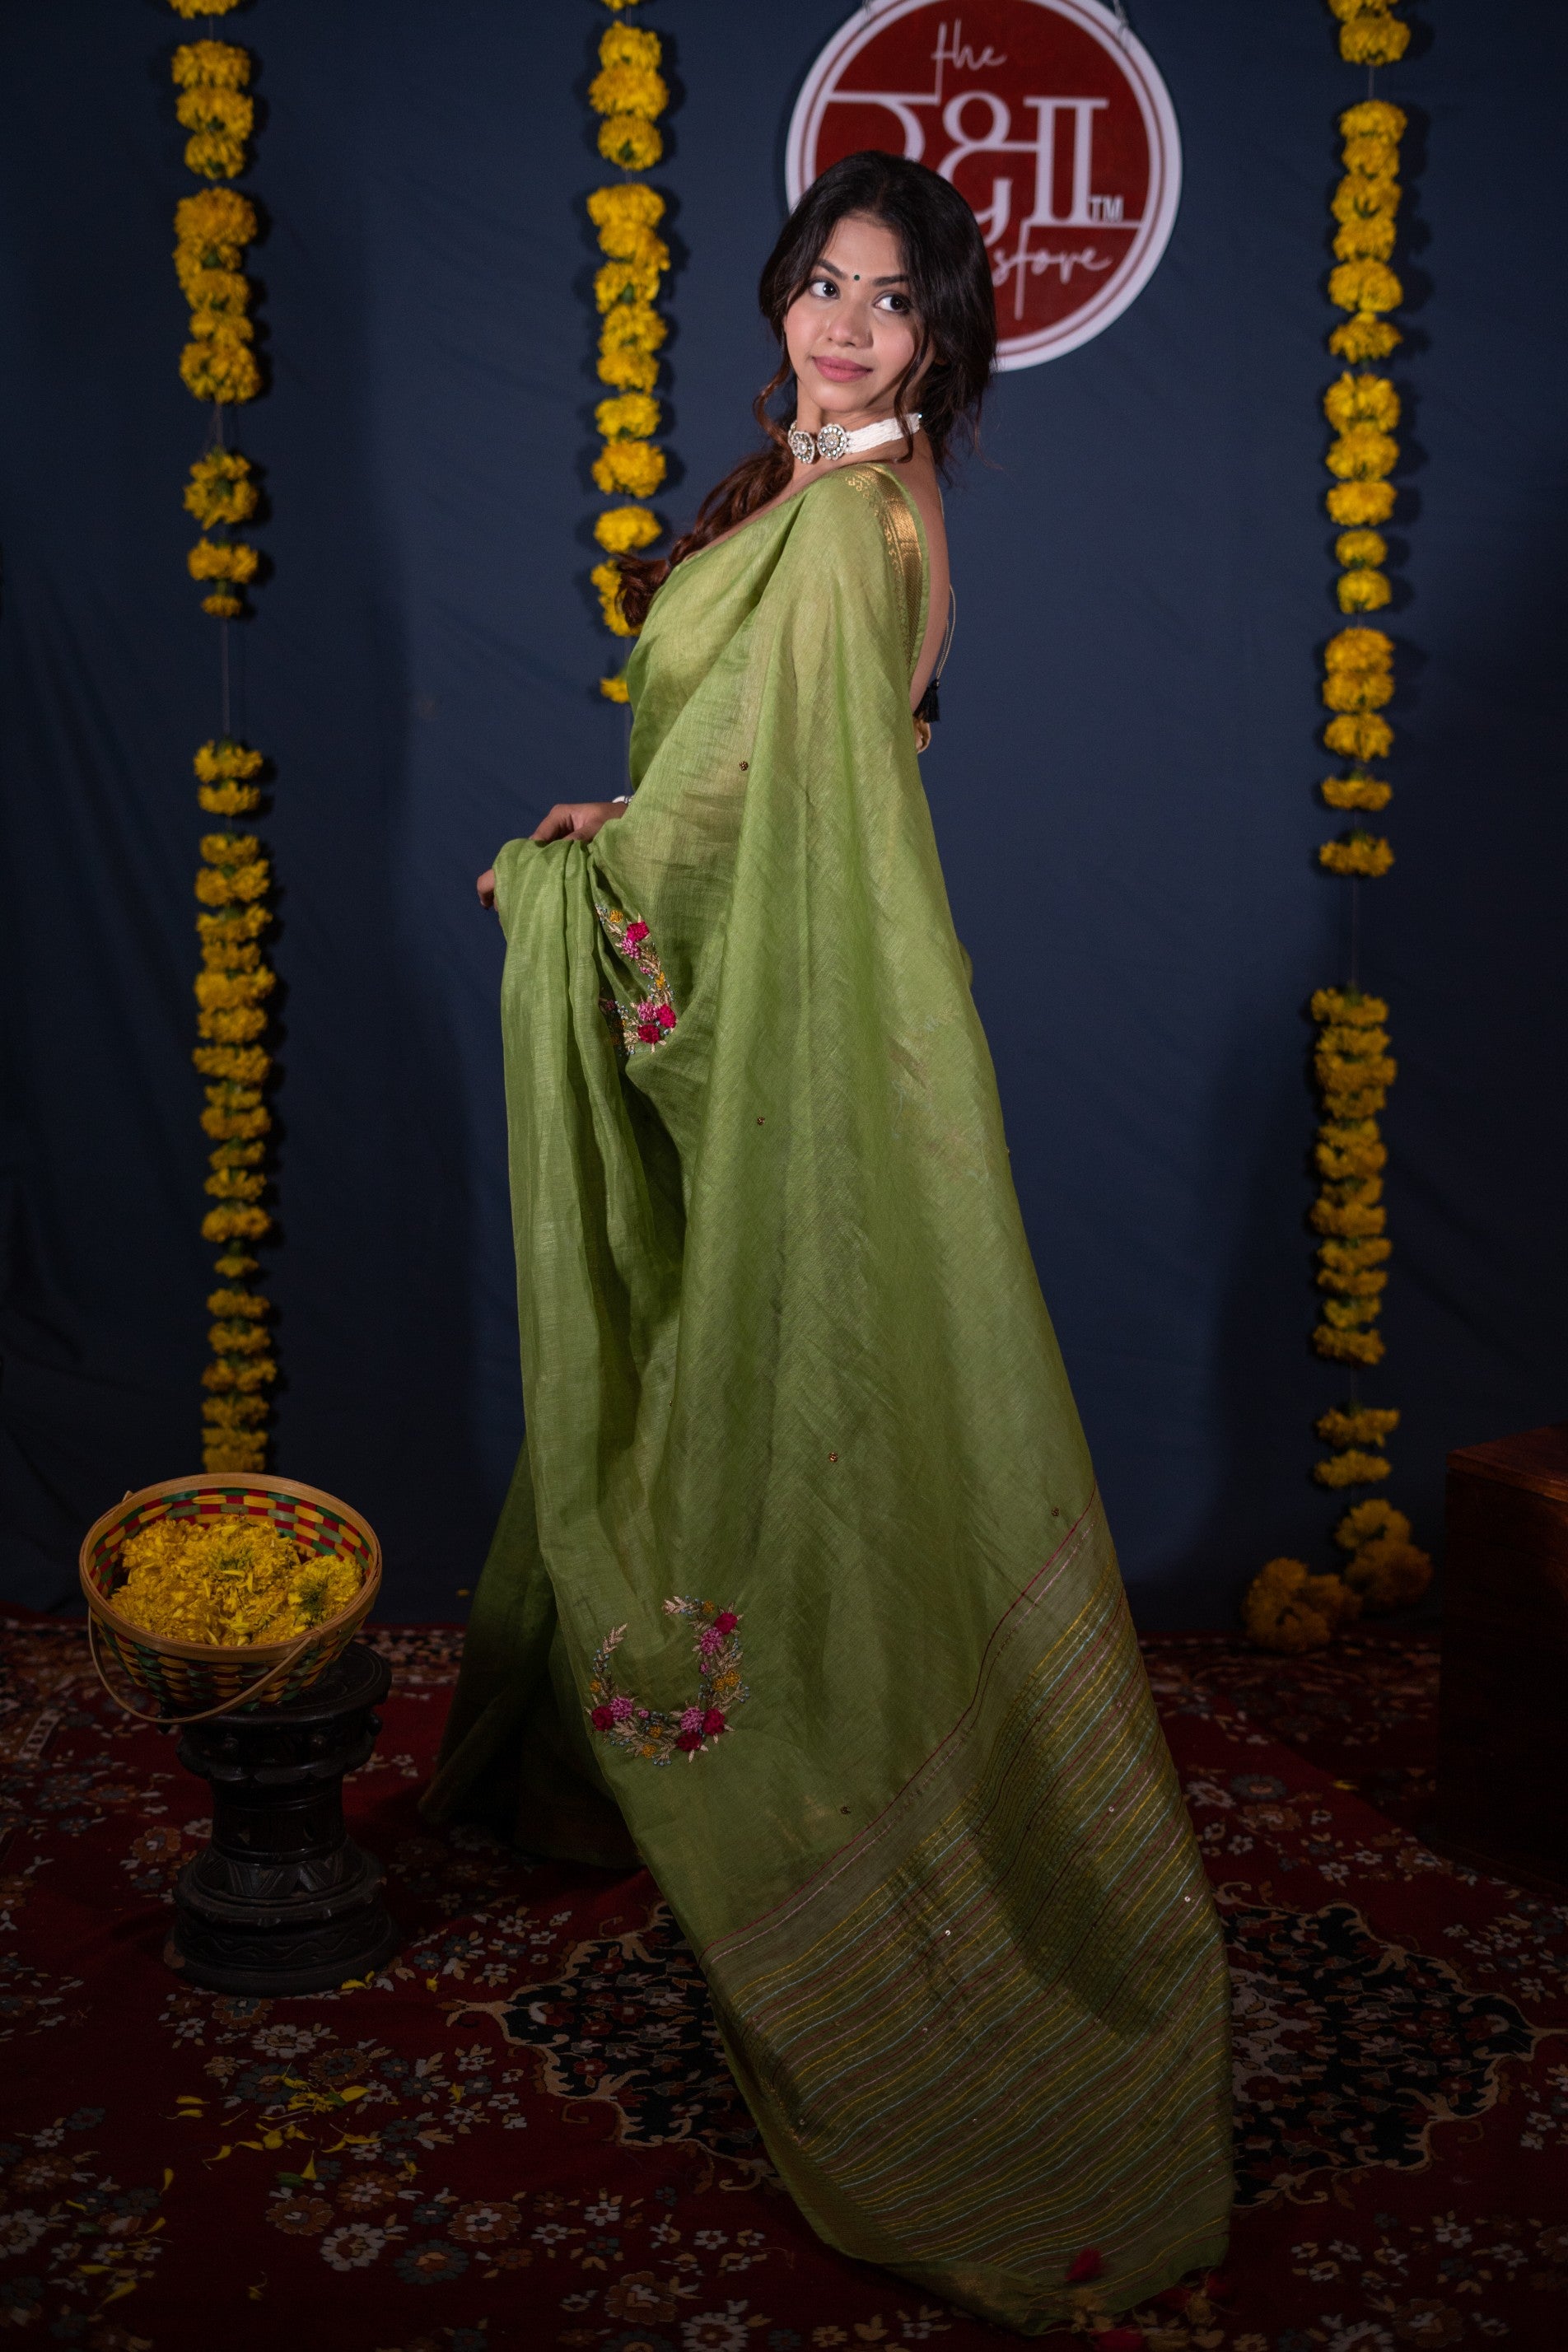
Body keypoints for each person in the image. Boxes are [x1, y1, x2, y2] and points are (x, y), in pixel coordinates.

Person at [424, 151, 1232, 2335]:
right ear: (784, 293)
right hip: (786, 984)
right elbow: (763, 768)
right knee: (734, 1363)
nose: (847, 324)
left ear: (946, 339)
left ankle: (920, 1916)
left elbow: (760, 800)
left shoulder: (862, 525)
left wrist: (576, 884)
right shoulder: (818, 491)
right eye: (824, 282)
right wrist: (636, 813)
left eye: (893, 300)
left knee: (819, 1385)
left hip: (804, 1020)